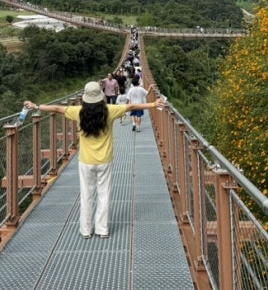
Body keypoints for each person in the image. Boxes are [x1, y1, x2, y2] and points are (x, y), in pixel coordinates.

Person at [24, 82, 164, 239]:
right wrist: (153, 104)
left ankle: (86, 230)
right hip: (105, 160)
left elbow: (57, 109)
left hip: (86, 161)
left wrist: (36, 106)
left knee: (86, 195)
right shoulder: (109, 110)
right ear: (101, 96)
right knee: (104, 195)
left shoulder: (78, 112)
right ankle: (102, 229)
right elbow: (131, 107)